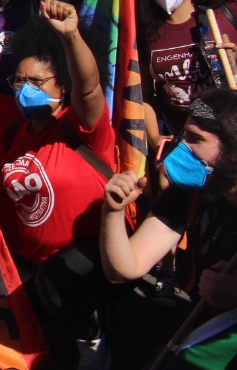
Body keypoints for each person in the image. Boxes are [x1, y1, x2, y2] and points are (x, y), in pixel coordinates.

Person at [0, 2, 115, 361]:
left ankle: (95, 334)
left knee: (57, 286)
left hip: (91, 258)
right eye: (19, 80)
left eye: (36, 81)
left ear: (62, 83)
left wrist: (71, 36)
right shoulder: (10, 136)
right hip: (34, 262)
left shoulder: (83, 127)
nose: (24, 89)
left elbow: (89, 88)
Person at [100, 89, 237, 360]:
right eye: (183, 134)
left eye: (195, 138)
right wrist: (113, 211)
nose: (180, 145)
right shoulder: (189, 192)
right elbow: (124, 269)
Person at [136, 0, 237, 138]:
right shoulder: (145, 31)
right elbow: (143, 95)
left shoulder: (226, 14)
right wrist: (156, 140)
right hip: (183, 141)